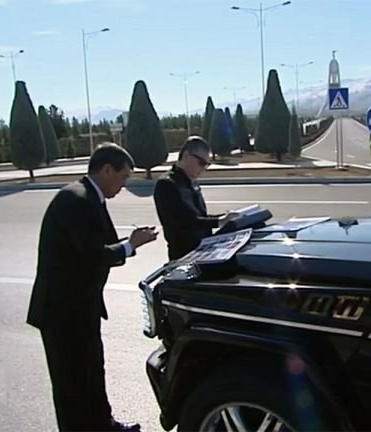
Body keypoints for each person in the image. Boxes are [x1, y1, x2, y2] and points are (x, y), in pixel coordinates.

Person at [26, 143, 157, 432]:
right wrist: (130, 246)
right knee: (71, 384)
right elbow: (93, 254)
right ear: (106, 170)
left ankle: (103, 425)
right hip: (62, 311)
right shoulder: (76, 199)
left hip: (80, 307)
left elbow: (103, 248)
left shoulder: (90, 197)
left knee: (92, 372)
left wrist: (131, 242)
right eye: (123, 177)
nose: (124, 185)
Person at [153, 136, 239, 261]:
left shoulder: (191, 182)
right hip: (185, 257)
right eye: (202, 163)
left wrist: (225, 218)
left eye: (207, 164)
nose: (204, 168)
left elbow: (200, 216)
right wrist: (218, 221)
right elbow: (184, 222)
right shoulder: (167, 184)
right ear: (187, 156)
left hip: (204, 250)